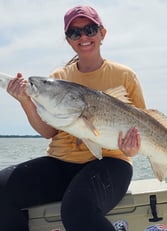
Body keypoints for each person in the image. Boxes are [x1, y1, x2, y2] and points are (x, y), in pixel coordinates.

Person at [0, 5, 146, 231]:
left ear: (102, 33)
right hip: (61, 162)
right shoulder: (58, 78)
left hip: (111, 163)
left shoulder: (125, 76)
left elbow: (142, 130)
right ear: (68, 40)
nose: (84, 37)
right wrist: (25, 101)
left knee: (77, 208)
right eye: (74, 33)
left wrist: (132, 149)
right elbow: (49, 132)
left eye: (90, 29)